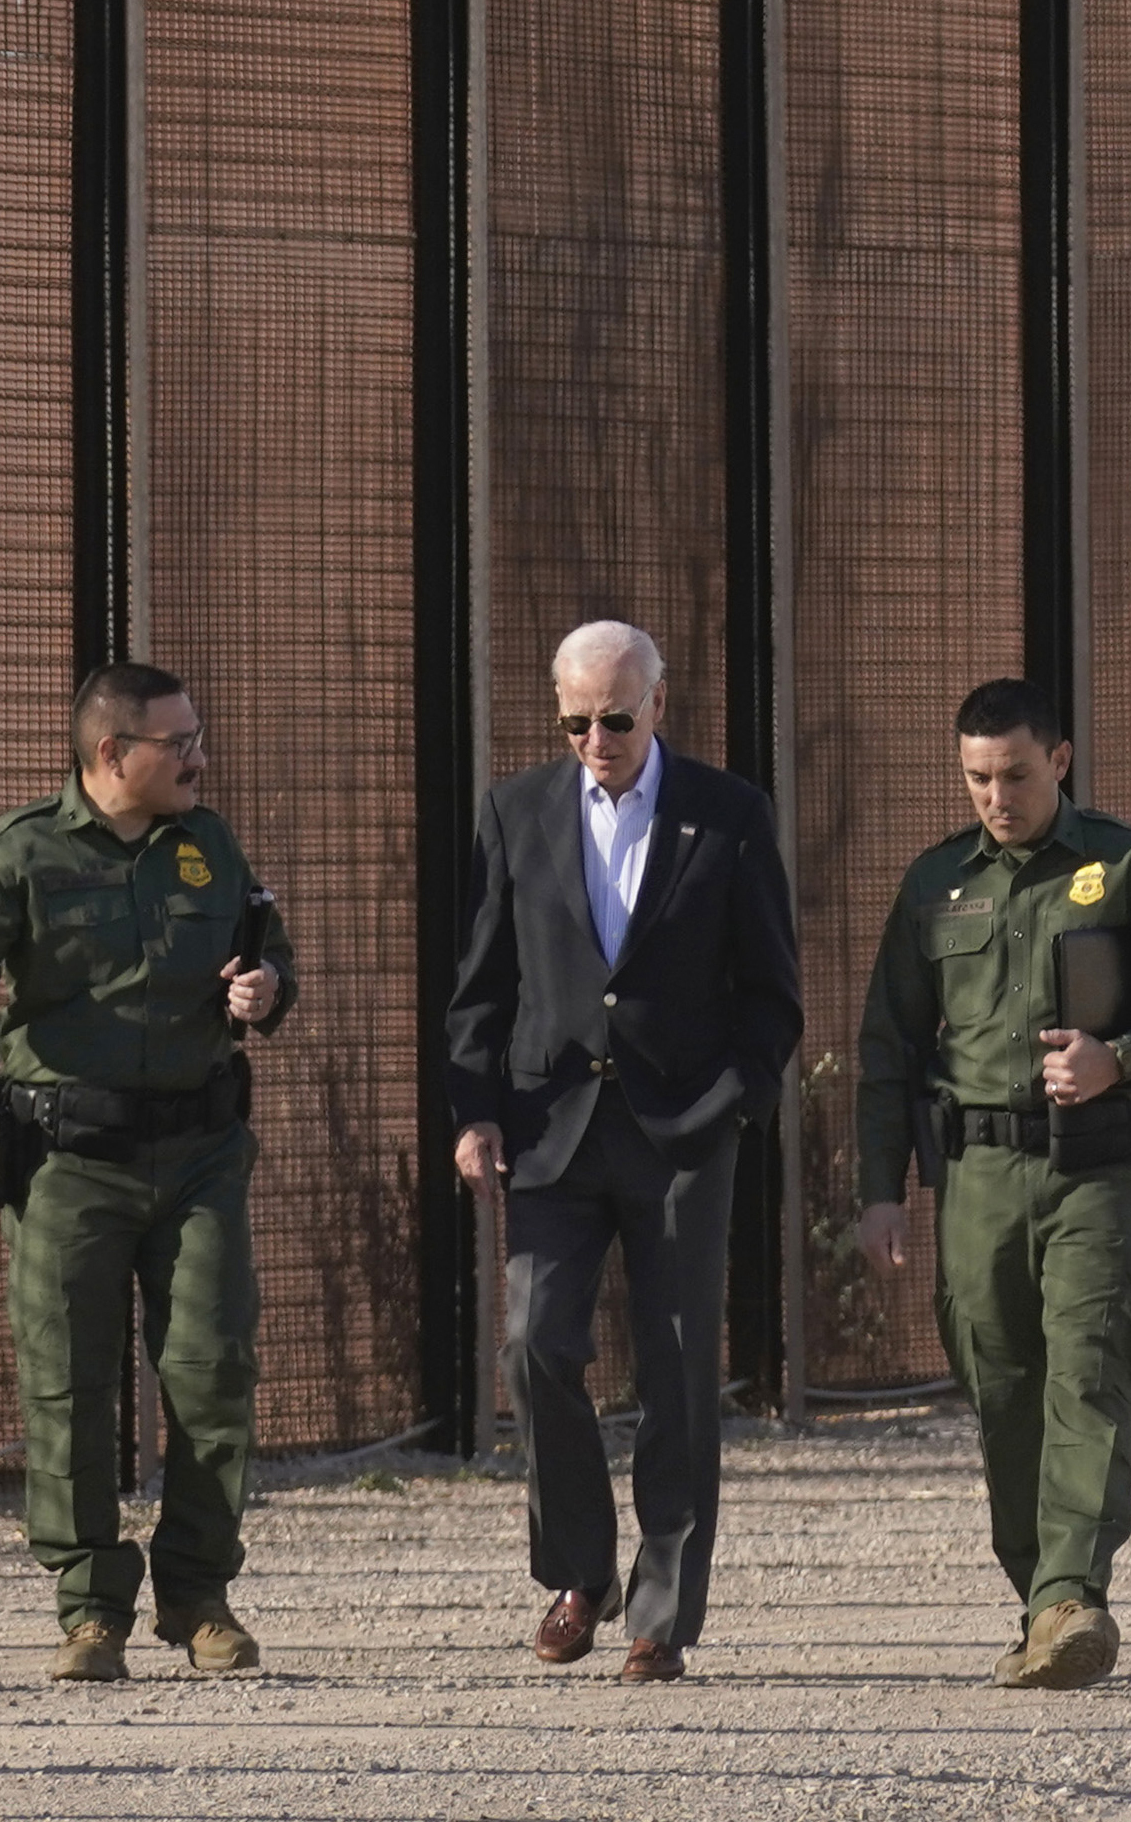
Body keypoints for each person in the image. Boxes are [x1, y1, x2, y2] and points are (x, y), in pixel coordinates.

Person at [0, 662, 291, 1683]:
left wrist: (264, 986)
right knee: (69, 1386)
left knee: (212, 1372)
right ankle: (89, 1610)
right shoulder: (20, 849)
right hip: (68, 1162)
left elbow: (264, 949)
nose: (199, 755)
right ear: (113, 754)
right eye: (179, 742)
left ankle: (199, 1596)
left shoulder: (206, 843)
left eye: (197, 735)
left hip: (200, 1155)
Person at [852, 676, 1131, 1691]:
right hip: (974, 1176)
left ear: (1057, 760)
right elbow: (888, 1045)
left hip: (1092, 1167)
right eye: (975, 776)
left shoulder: (1126, 865)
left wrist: (1125, 1055)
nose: (995, 794)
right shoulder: (935, 884)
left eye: (1014, 773)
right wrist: (879, 1189)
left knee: (1087, 1371)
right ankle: (1040, 1600)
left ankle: (1072, 1592)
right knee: (1003, 1385)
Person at [445, 620, 801, 1683]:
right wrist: (475, 1109)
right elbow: (480, 983)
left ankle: (662, 1614)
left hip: (683, 1132)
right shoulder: (514, 813)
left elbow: (769, 987)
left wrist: (736, 1099)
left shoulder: (728, 816)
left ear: (657, 703)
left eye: (613, 716)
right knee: (535, 1343)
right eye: (574, 720)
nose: (594, 738)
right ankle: (578, 1572)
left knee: (680, 1368)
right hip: (552, 1126)